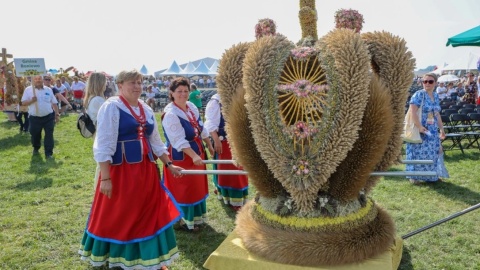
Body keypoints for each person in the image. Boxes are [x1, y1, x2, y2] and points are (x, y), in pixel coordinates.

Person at [78, 70, 184, 270]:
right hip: (122, 173)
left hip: (146, 171)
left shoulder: (145, 108)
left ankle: (150, 258)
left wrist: (169, 164)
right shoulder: (111, 107)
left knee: (150, 212)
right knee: (124, 215)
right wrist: (106, 178)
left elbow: (156, 142)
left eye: (139, 82)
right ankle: (122, 258)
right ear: (119, 84)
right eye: (132, 82)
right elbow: (103, 144)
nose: (137, 86)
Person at [162, 77, 214, 232]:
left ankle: (196, 218)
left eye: (186, 91)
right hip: (182, 156)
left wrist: (209, 144)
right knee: (185, 188)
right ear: (171, 93)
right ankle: (183, 221)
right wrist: (194, 156)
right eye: (179, 91)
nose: (183, 94)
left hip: (196, 152)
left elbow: (201, 127)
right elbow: (178, 140)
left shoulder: (191, 106)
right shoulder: (170, 114)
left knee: (196, 186)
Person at [204, 93, 248, 211]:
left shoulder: (241, 96)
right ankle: (231, 197)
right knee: (230, 170)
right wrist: (216, 140)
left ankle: (231, 194)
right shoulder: (216, 101)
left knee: (238, 168)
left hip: (239, 140)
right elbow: (210, 123)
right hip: (224, 142)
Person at [405, 73, 446, 184]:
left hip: (432, 129)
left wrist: (442, 129)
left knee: (432, 152)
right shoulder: (418, 95)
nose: (427, 83)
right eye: (425, 81)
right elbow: (412, 112)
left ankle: (431, 176)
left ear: (435, 83)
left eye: (430, 81)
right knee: (417, 152)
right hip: (420, 128)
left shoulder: (436, 96)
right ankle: (414, 177)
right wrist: (419, 126)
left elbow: (437, 114)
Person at [20, 75, 60, 159]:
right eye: (36, 79)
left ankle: (48, 153)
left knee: (49, 134)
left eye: (39, 79)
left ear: (43, 80)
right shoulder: (28, 90)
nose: (38, 80)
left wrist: (57, 114)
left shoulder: (48, 90)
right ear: (33, 80)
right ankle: (36, 147)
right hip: (34, 118)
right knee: (35, 135)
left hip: (48, 117)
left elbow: (54, 103)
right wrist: (31, 100)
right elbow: (23, 103)